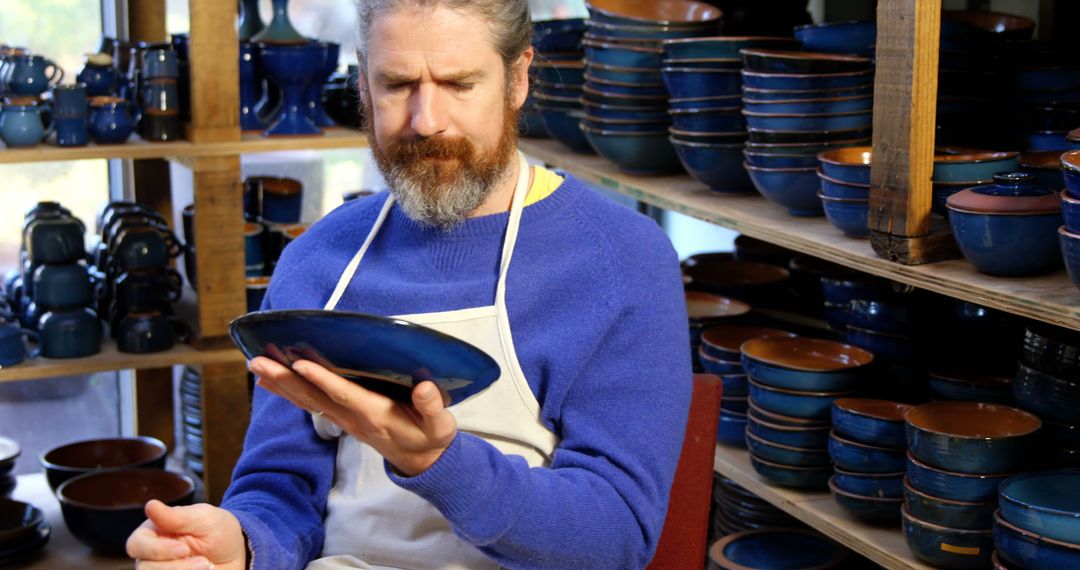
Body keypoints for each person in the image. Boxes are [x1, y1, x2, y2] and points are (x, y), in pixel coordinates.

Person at [126, 1, 691, 568]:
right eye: (396, 85)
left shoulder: (621, 261)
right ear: (364, 84)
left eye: (458, 83)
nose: (426, 121)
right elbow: (278, 489)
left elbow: (616, 537)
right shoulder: (317, 261)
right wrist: (245, 545)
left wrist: (438, 463)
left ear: (518, 79)